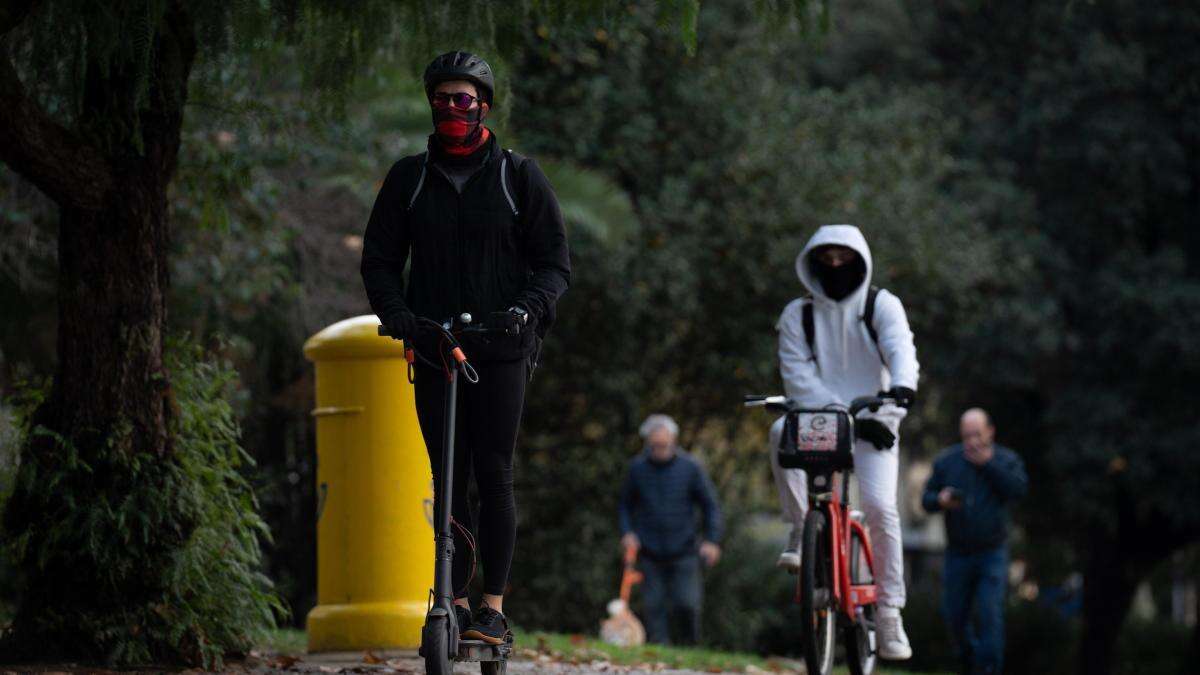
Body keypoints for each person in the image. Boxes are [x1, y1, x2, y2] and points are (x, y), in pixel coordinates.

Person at [359, 50, 570, 645]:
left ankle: (493, 609)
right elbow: (378, 260)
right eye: (443, 98)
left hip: (500, 351)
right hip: (433, 345)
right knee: (447, 474)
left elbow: (554, 264)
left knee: (493, 472)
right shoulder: (409, 177)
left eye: (464, 98)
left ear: (484, 105)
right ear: (430, 104)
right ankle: (450, 600)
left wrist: (524, 311)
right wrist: (398, 316)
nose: (454, 108)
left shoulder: (517, 176)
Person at [767, 224, 919, 660]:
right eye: (826, 259)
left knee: (881, 508)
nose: (835, 267)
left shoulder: (881, 305)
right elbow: (796, 374)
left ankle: (890, 612)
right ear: (813, 264)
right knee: (779, 434)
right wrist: (836, 413)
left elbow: (901, 351)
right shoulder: (798, 313)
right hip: (822, 417)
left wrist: (900, 393)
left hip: (874, 419)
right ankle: (802, 527)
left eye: (843, 259)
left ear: (860, 260)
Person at [922, 408, 1028, 675]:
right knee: (955, 616)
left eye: (977, 435)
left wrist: (988, 465)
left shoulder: (1006, 459)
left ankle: (988, 669)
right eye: (967, 435)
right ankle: (969, 664)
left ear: (990, 431)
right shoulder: (947, 461)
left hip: (992, 553)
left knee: (989, 614)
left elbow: (1018, 490)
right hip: (957, 553)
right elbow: (926, 499)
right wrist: (940, 500)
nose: (972, 442)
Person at [618, 414, 723, 645]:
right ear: (648, 443)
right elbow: (625, 505)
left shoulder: (691, 467)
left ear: (673, 441)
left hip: (685, 549)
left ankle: (690, 651)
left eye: (664, 445)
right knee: (653, 607)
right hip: (648, 550)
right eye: (655, 446)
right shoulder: (637, 468)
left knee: (687, 604)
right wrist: (627, 532)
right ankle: (659, 656)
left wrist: (712, 540)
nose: (660, 450)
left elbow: (710, 505)